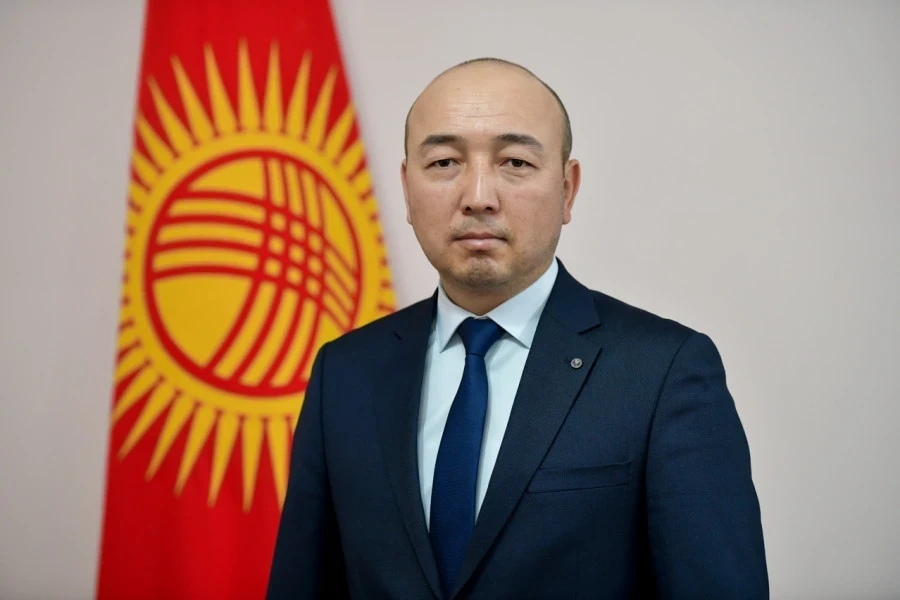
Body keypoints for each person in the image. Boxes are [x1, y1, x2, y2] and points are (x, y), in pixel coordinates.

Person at [266, 58, 768, 599]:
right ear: (407, 189)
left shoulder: (663, 373)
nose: (478, 196)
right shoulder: (345, 372)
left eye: (515, 162)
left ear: (568, 189)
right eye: (444, 162)